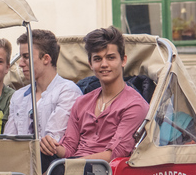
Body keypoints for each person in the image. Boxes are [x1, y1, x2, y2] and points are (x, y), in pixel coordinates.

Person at [40, 26, 149, 163]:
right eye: (97, 59)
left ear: (123, 60)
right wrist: (52, 147)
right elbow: (68, 148)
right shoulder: (81, 102)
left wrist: (69, 165)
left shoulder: (135, 105)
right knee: (36, 158)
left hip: (105, 174)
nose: (104, 64)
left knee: (54, 171)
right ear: (90, 64)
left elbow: (115, 154)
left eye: (110, 58)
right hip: (71, 168)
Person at [4, 30, 81, 169]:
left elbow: (52, 142)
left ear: (46, 58)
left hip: (50, 167)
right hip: (19, 167)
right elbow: (8, 140)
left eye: (26, 57)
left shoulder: (67, 91)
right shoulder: (18, 96)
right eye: (20, 57)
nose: (21, 64)